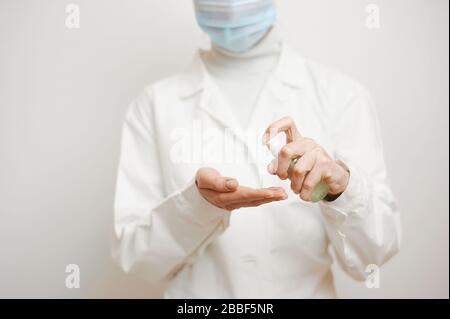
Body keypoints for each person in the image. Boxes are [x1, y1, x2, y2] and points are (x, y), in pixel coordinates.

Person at [112, 0, 401, 298]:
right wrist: (197, 208)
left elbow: (372, 257)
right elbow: (136, 260)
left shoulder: (342, 96)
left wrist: (342, 190)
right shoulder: (154, 105)